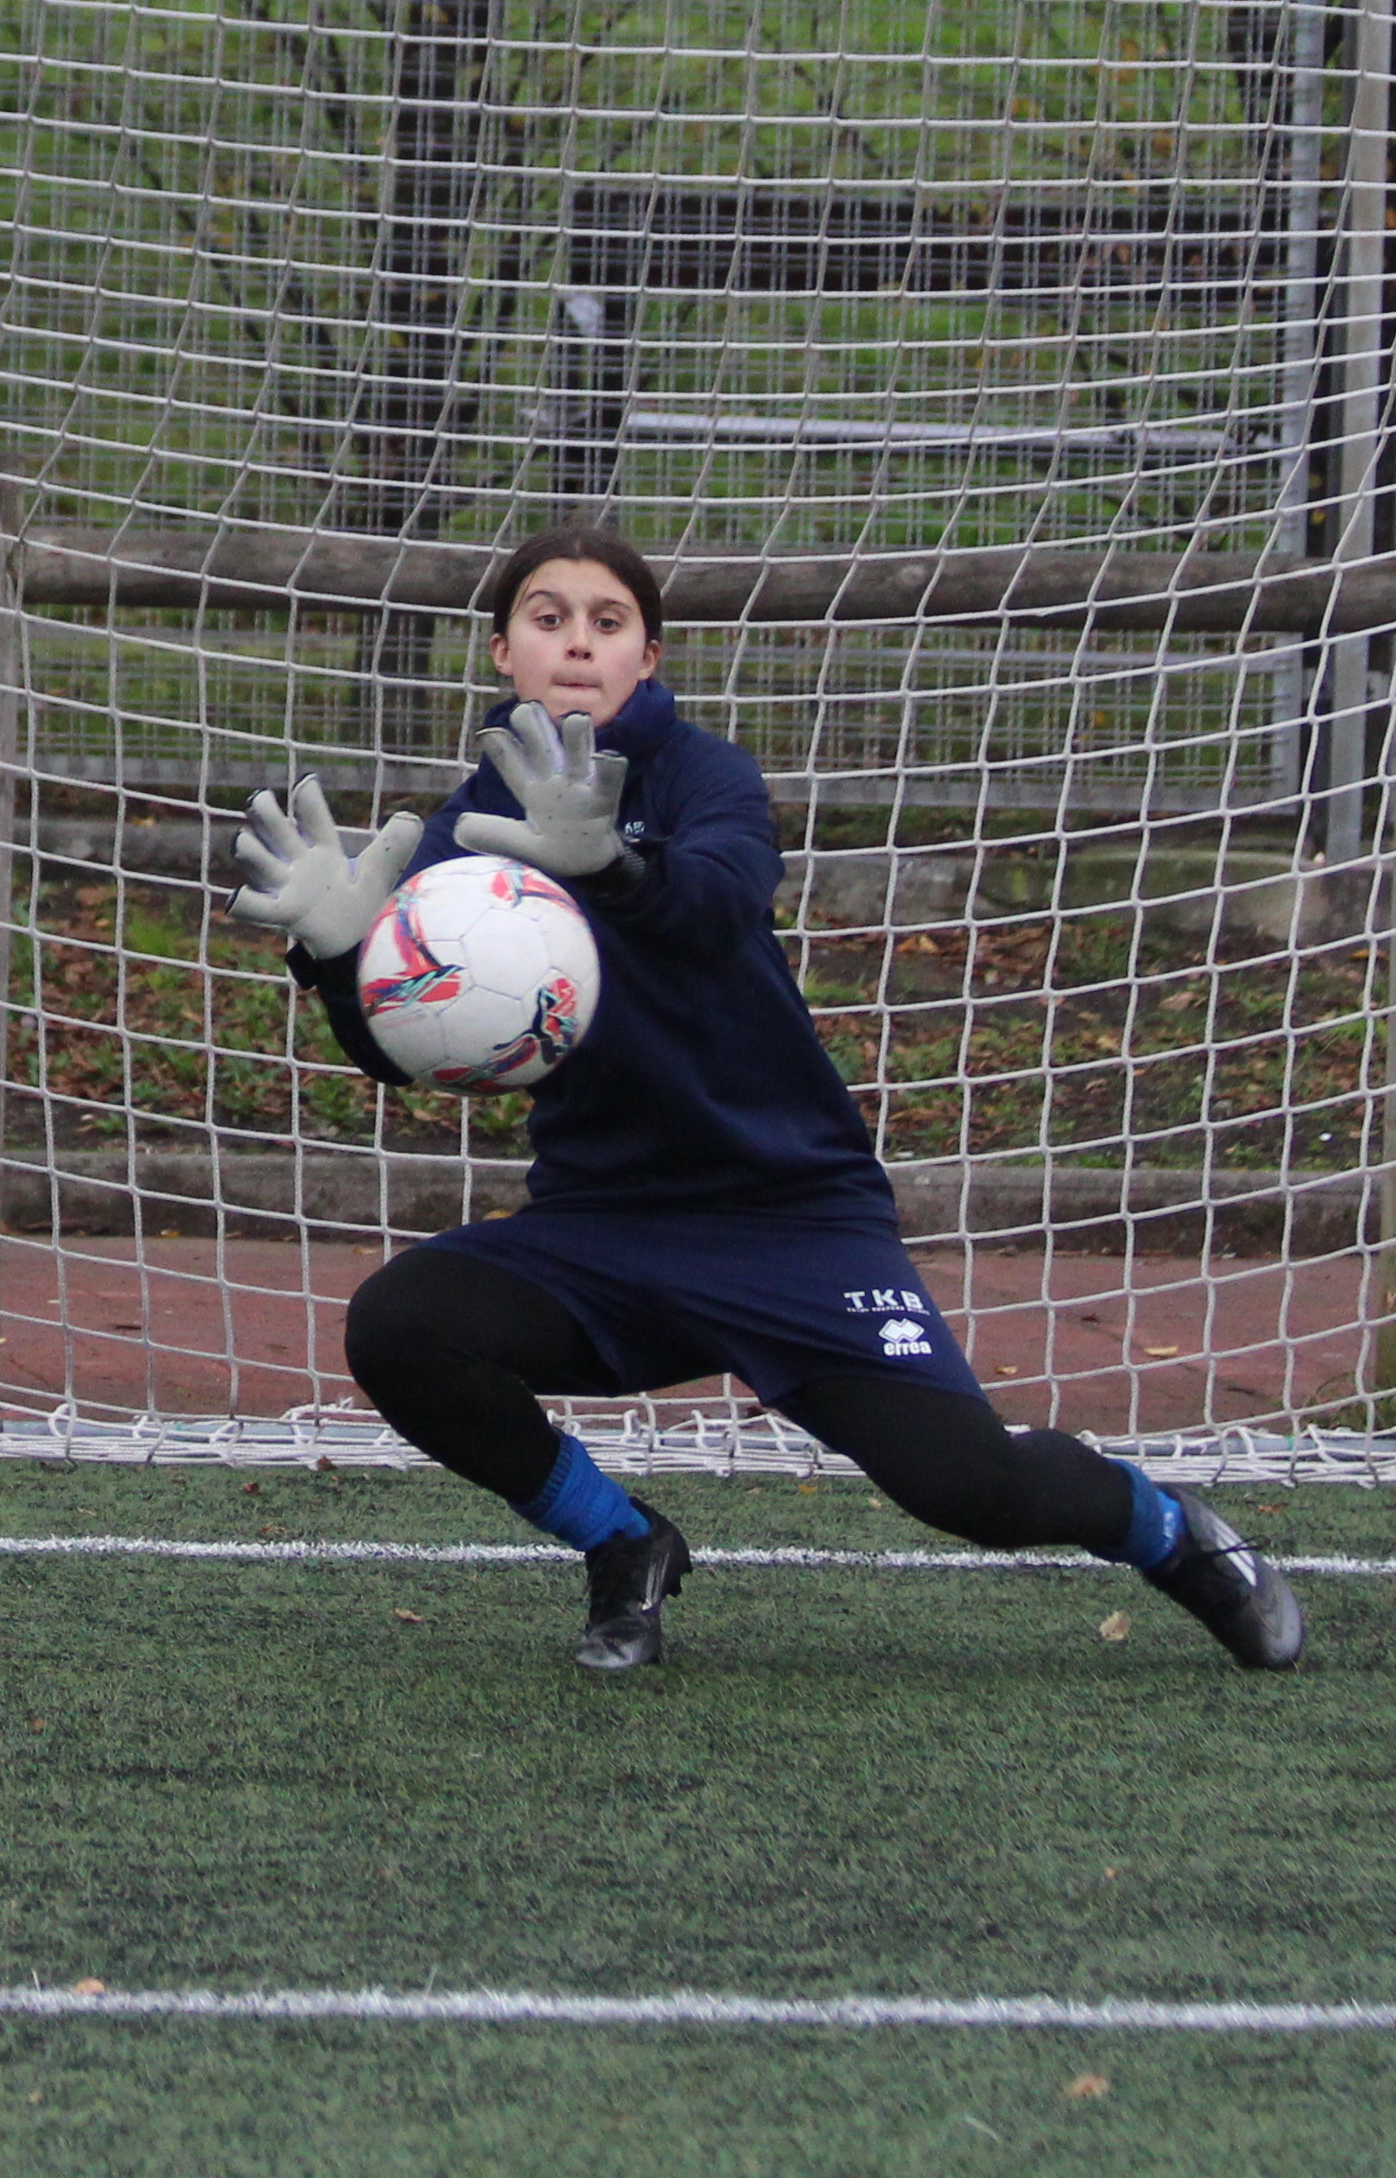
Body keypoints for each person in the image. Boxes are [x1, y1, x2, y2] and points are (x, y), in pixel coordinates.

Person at [233, 523, 1305, 1677]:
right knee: (401, 1328)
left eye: (608, 622)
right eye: (548, 618)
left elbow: (716, 908)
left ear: (648, 655)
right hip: (604, 1228)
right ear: (503, 651)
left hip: (789, 1218)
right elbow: (410, 1053)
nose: (578, 642)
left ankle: (1177, 1536)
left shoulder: (707, 777)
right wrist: (337, 961)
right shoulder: (463, 839)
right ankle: (624, 1543)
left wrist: (611, 868)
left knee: (970, 1487)